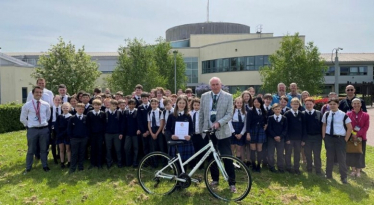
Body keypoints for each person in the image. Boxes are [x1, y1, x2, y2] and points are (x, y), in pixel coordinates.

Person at [199, 77, 236, 193]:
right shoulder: (204, 96)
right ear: (210, 86)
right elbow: (201, 114)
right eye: (213, 85)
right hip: (208, 132)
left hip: (223, 132)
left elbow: (230, 114)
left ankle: (232, 183)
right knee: (211, 157)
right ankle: (215, 179)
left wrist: (219, 123)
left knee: (227, 157)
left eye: (217, 84)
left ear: (221, 85)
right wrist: (201, 130)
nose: (215, 86)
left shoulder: (228, 97)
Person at [20, 86, 51, 173]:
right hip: (32, 130)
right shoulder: (27, 105)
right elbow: (22, 118)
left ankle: (45, 166)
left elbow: (48, 116)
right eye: (37, 92)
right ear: (33, 93)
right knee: (31, 149)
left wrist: (42, 123)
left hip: (44, 129)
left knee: (44, 149)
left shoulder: (46, 104)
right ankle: (28, 167)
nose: (39, 94)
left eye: (40, 92)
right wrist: (29, 125)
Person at [322, 98, 353, 184]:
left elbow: (350, 127)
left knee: (341, 158)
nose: (332, 106)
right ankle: (328, 174)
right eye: (330, 104)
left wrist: (346, 139)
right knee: (329, 157)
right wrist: (324, 136)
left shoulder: (343, 115)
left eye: (334, 104)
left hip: (340, 139)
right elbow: (324, 125)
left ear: (338, 105)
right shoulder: (326, 114)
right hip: (329, 138)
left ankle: (343, 177)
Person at [165, 96, 194, 164]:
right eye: (180, 103)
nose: (181, 105)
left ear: (186, 104)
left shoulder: (188, 116)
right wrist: (171, 136)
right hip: (175, 142)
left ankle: (183, 174)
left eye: (183, 103)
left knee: (185, 163)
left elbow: (192, 129)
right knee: (176, 163)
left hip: (185, 142)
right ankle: (176, 174)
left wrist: (190, 136)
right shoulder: (171, 115)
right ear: (177, 104)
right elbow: (167, 129)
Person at [346, 98, 370, 178]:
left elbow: (366, 127)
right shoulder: (348, 114)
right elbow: (347, 125)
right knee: (351, 153)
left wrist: (358, 134)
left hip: (361, 137)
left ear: (361, 104)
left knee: (360, 153)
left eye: (358, 103)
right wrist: (353, 134)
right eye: (354, 103)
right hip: (351, 137)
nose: (356, 105)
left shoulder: (366, 115)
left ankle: (358, 171)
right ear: (352, 105)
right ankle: (353, 170)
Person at [284, 98, 306, 174]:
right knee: (288, 153)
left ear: (299, 105)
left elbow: (304, 127)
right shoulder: (287, 114)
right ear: (291, 104)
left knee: (297, 154)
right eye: (294, 104)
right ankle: (288, 167)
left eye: (297, 104)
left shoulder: (302, 114)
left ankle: (296, 168)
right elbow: (285, 127)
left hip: (298, 139)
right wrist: (287, 138)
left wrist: (303, 139)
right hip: (289, 138)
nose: (295, 105)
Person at [246, 97, 267, 172]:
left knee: (259, 149)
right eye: (254, 102)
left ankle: (258, 165)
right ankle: (253, 165)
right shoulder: (250, 111)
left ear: (261, 103)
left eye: (258, 102)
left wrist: (266, 125)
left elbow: (266, 120)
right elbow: (247, 123)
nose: (256, 103)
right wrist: (248, 133)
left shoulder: (264, 111)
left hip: (261, 131)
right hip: (252, 131)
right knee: (253, 149)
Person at [67, 103, 89, 173]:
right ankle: (73, 167)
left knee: (82, 153)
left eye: (82, 109)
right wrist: (71, 137)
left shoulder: (86, 117)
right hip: (74, 139)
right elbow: (69, 129)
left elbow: (88, 128)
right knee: (74, 153)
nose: (81, 110)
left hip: (83, 138)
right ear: (76, 109)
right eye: (79, 108)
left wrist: (86, 136)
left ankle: (80, 166)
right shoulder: (72, 118)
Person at [304, 97, 323, 175]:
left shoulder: (319, 113)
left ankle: (318, 169)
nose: (308, 106)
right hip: (307, 137)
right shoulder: (302, 114)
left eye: (310, 104)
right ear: (305, 105)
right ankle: (309, 168)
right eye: (307, 104)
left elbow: (322, 126)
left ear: (313, 104)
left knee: (317, 154)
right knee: (308, 154)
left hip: (317, 137)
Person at [267, 103, 287, 173]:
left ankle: (280, 167)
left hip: (280, 139)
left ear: (281, 110)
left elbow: (285, 129)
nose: (277, 110)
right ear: (273, 110)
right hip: (271, 138)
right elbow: (269, 128)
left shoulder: (284, 118)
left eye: (279, 109)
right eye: (276, 109)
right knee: (271, 153)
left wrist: (280, 136)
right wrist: (274, 136)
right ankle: (271, 167)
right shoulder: (270, 118)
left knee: (280, 153)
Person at [86, 99, 106, 169]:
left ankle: (99, 163)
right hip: (92, 134)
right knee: (93, 148)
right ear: (93, 105)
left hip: (100, 134)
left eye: (98, 105)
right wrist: (89, 134)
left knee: (100, 149)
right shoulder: (89, 113)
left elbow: (104, 125)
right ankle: (92, 163)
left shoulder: (103, 114)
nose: (97, 106)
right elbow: (88, 125)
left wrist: (103, 135)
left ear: (100, 106)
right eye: (95, 105)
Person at [105, 99, 124, 169]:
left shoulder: (119, 113)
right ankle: (109, 162)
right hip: (108, 134)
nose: (114, 107)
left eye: (116, 105)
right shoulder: (106, 114)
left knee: (118, 149)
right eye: (113, 105)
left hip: (117, 134)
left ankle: (119, 162)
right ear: (109, 105)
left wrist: (121, 133)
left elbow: (122, 124)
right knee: (108, 148)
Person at [189, 97, 208, 168]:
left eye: (198, 105)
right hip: (192, 135)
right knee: (193, 149)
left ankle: (201, 165)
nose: (196, 106)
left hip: (200, 134)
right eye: (195, 105)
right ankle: (192, 164)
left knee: (201, 150)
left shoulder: (202, 114)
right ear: (192, 105)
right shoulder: (190, 113)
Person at [228, 97, 246, 162]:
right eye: (237, 103)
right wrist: (234, 133)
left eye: (241, 103)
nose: (239, 104)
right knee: (232, 148)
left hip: (241, 131)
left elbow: (245, 125)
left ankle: (238, 163)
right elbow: (229, 122)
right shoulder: (232, 112)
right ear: (235, 103)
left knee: (239, 148)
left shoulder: (245, 112)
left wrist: (241, 134)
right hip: (233, 131)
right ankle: (232, 163)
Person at [55, 102, 72, 168]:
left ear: (69, 108)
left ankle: (69, 162)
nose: (65, 109)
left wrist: (63, 133)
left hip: (67, 135)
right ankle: (62, 162)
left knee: (68, 149)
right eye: (64, 108)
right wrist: (59, 133)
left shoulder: (70, 117)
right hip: (60, 135)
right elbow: (56, 126)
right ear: (61, 108)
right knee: (61, 149)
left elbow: (69, 128)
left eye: (67, 108)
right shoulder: (59, 116)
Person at [123, 99, 140, 167]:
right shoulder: (125, 112)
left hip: (135, 133)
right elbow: (123, 123)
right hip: (127, 133)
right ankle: (128, 162)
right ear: (128, 105)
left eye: (133, 104)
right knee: (126, 148)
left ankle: (135, 162)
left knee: (136, 148)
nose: (131, 105)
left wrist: (139, 129)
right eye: (130, 104)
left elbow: (139, 121)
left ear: (135, 105)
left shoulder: (137, 111)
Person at [48, 95, 62, 164]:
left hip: (60, 126)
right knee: (53, 143)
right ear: (53, 101)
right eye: (56, 100)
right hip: (52, 126)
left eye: (59, 100)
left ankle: (60, 155)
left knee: (60, 142)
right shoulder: (50, 108)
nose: (57, 101)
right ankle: (54, 159)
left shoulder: (63, 108)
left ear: (61, 101)